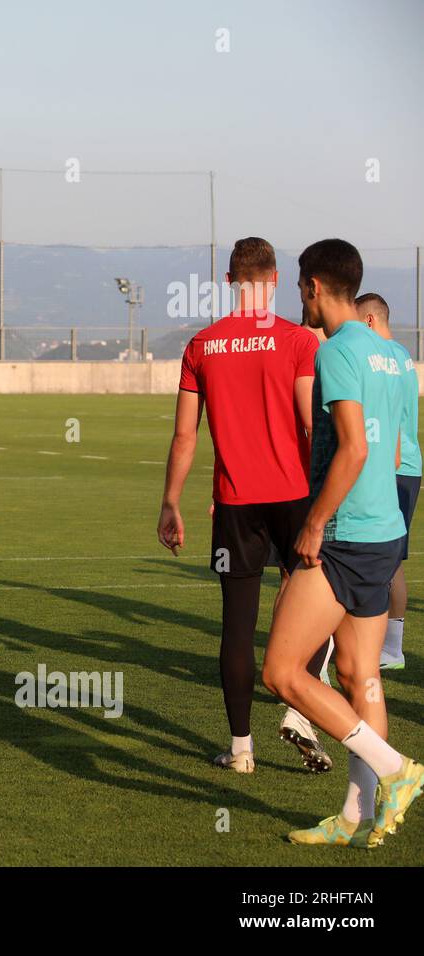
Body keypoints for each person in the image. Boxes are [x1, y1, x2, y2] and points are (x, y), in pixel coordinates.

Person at [262, 238, 422, 847]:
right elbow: (398, 444)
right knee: (361, 676)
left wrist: (314, 522)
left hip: (346, 535)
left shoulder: (335, 352)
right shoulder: (390, 354)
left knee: (282, 671)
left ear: (313, 286)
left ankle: (396, 770)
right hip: (385, 531)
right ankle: (357, 819)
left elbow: (353, 446)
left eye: (298, 287)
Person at [158, 237, 333, 773]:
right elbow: (311, 422)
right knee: (319, 610)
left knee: (237, 625)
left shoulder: (201, 346)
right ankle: (298, 705)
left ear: (231, 281)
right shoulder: (298, 341)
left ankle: (240, 750)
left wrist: (170, 502)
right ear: (275, 279)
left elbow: (185, 437)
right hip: (296, 496)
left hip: (235, 502)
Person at [358, 292, 419, 670]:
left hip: (391, 465)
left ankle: (387, 648)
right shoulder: (403, 357)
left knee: (383, 559)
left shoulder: (380, 357)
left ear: (368, 321)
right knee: (391, 559)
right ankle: (389, 647)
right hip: (406, 465)